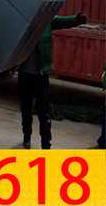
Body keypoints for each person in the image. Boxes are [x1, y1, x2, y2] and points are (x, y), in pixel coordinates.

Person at [18, 13, 87, 149]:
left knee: (43, 111)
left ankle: (46, 142)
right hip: (24, 73)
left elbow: (62, 21)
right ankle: (27, 137)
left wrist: (77, 19)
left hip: (41, 75)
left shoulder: (46, 20)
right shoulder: (21, 21)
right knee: (26, 109)